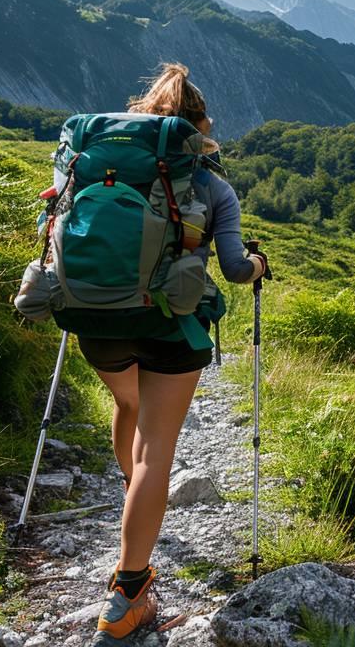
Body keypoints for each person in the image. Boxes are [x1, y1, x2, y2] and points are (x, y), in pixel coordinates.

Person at [80, 63, 266, 645]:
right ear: (199, 126)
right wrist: (259, 265)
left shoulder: (94, 165)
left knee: (127, 406)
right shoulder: (212, 187)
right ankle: (127, 594)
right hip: (169, 326)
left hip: (97, 320)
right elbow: (235, 270)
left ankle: (136, 503)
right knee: (157, 451)